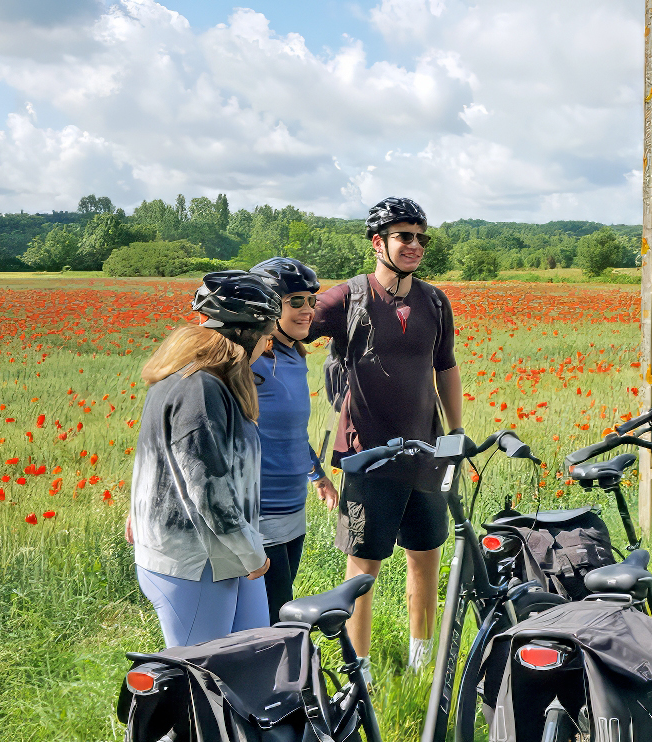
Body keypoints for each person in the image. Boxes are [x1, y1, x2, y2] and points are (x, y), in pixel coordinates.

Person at [309, 197, 461, 678]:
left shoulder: (435, 301)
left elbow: (445, 367)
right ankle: (361, 671)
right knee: (362, 568)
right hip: (365, 458)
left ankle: (420, 666)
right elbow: (289, 331)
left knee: (426, 558)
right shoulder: (346, 298)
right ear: (378, 243)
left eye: (420, 237)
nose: (415, 245)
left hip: (426, 453)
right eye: (404, 236)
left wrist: (456, 434)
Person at [126, 270, 280, 647]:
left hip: (222, 554)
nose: (270, 343)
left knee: (252, 659)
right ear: (245, 334)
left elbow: (163, 461)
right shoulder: (198, 388)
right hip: (195, 560)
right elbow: (207, 486)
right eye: (267, 333)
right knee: (203, 679)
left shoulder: (209, 380)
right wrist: (251, 551)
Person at [249, 257, 340, 620]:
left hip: (292, 509)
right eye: (296, 302)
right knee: (273, 618)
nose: (308, 311)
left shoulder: (292, 356)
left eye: (311, 300)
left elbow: (290, 433)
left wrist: (317, 476)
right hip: (259, 511)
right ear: (270, 307)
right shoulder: (252, 361)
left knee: (278, 609)